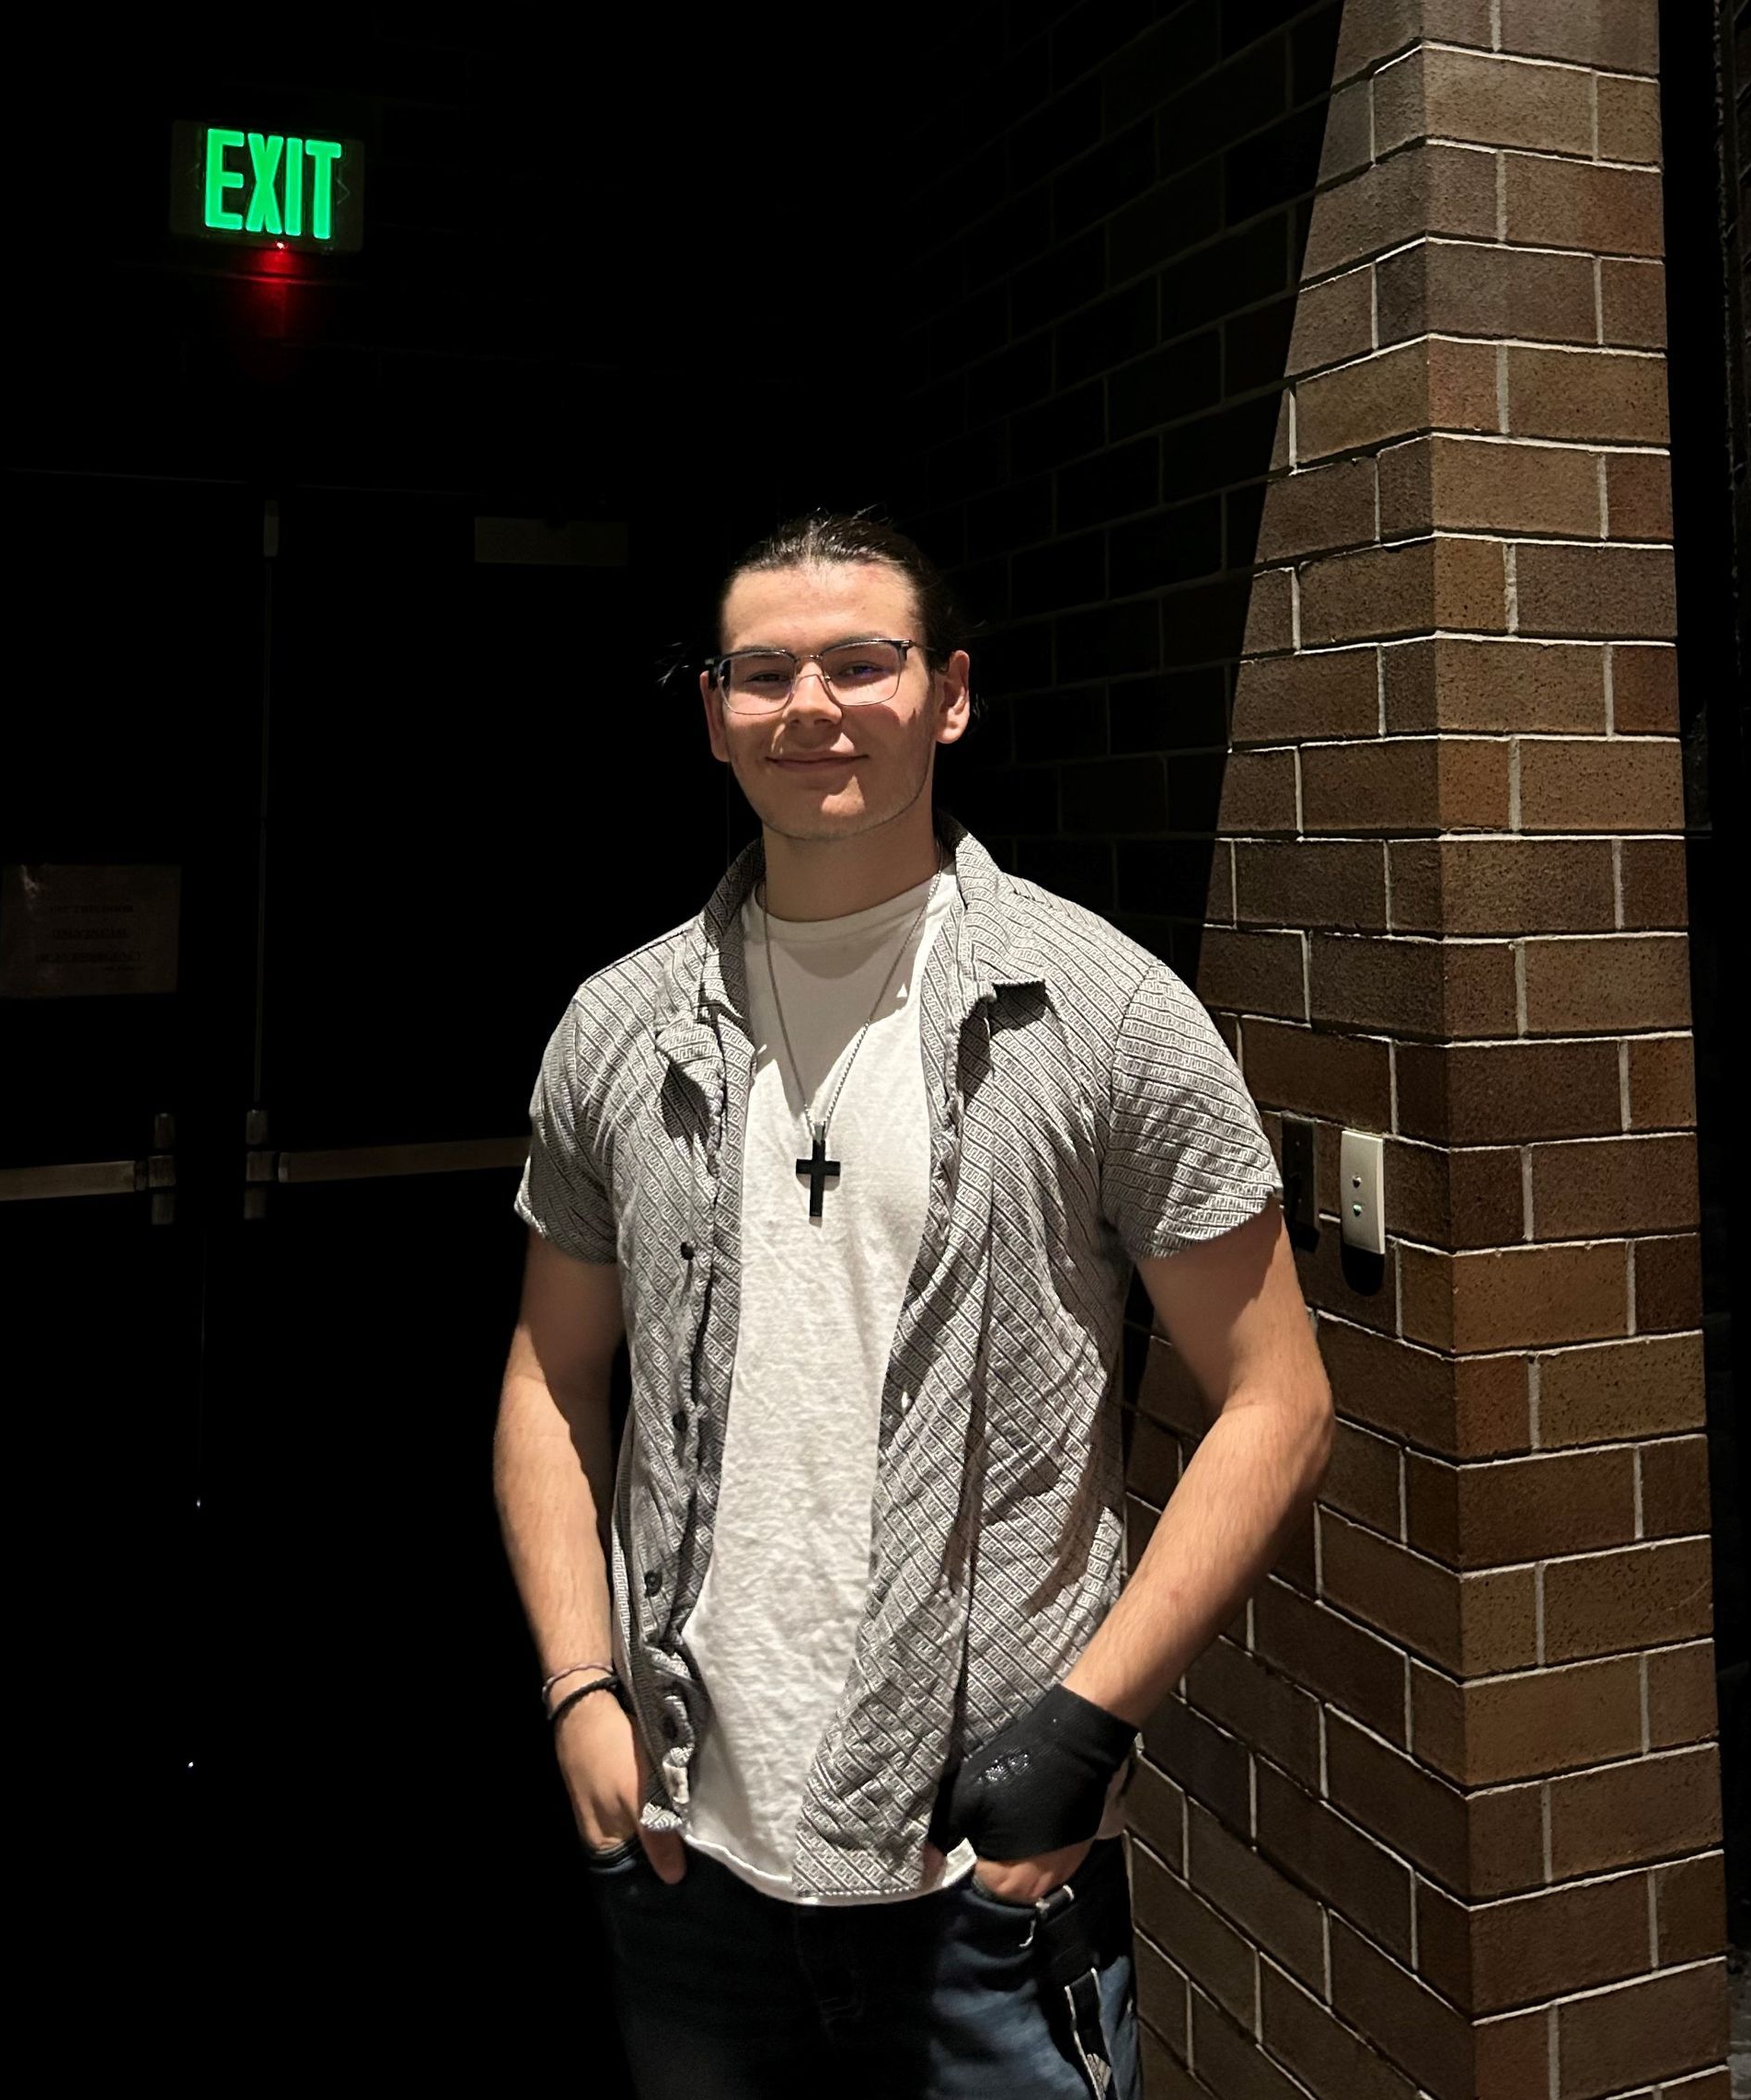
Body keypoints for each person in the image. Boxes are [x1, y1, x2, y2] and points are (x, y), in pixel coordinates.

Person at [495, 513, 1334, 2098]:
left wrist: (1083, 1730)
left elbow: (1278, 1399)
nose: (811, 705)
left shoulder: (1100, 1010)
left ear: (948, 695)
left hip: (984, 1888)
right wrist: (579, 1691)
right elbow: (550, 1377)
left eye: (860, 663)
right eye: (763, 672)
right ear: (714, 715)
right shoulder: (618, 1028)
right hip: (687, 1859)